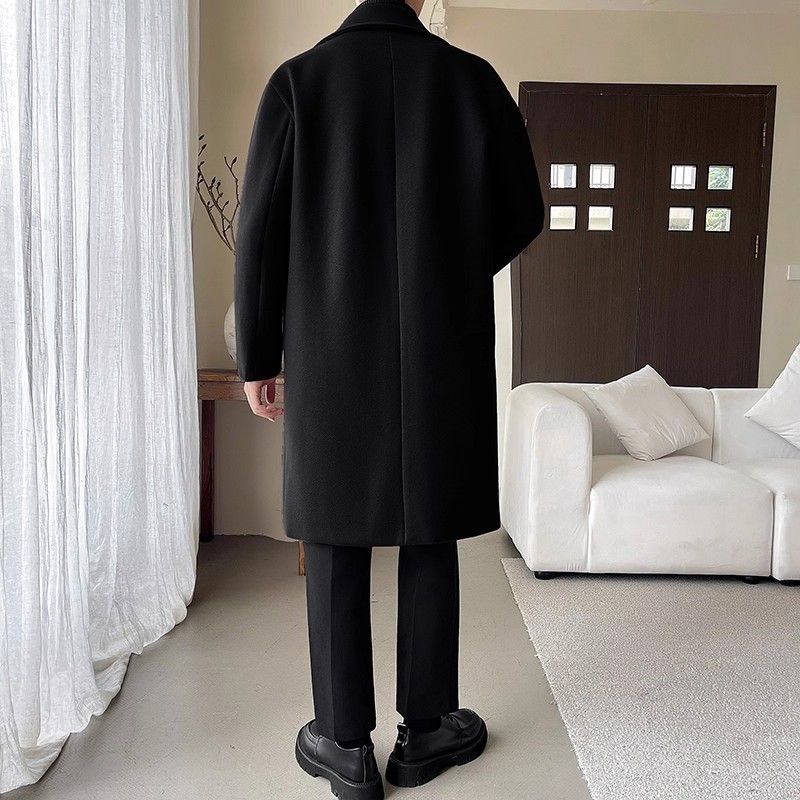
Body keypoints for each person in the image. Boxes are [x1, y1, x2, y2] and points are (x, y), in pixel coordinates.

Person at [234, 1, 543, 797]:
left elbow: (259, 231)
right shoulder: (472, 82)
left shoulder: (299, 83)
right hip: (440, 347)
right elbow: (523, 211)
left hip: (330, 348)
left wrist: (259, 355)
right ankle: (427, 732)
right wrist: (450, 264)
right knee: (428, 528)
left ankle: (343, 745)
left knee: (335, 536)